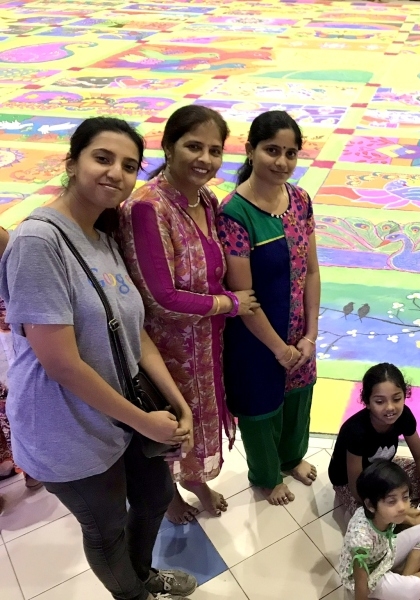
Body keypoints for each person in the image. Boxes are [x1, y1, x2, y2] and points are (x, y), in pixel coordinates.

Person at [0, 117, 197, 600]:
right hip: (65, 426)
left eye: (129, 166)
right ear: (72, 163)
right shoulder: (39, 242)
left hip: (118, 414)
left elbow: (134, 333)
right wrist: (144, 422)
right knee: (106, 528)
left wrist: (176, 401)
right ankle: (133, 594)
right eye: (103, 158)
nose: (116, 173)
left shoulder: (103, 237)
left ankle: (142, 575)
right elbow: (61, 364)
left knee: (154, 497)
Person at [118, 105, 260, 524]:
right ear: (168, 146)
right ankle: (168, 495)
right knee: (173, 424)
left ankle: (194, 481)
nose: (205, 159)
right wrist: (230, 304)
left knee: (199, 420)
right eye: (193, 146)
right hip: (165, 349)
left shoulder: (207, 200)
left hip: (206, 344)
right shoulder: (148, 208)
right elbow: (161, 297)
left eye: (215, 151)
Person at [217, 110, 320, 506]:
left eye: (290, 153)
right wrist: (279, 348)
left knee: (298, 398)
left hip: (299, 331)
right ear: (250, 150)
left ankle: (291, 457)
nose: (282, 162)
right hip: (257, 337)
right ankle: (266, 475)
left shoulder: (300, 200)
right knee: (261, 408)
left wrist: (310, 335)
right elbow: (243, 295)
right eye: (271, 150)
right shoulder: (235, 213)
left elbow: (312, 271)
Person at [329, 363, 420, 524]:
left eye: (396, 399)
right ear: (367, 402)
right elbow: (356, 488)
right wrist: (406, 516)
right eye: (379, 401)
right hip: (350, 484)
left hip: (382, 470)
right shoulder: (355, 431)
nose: (390, 408)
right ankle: (411, 505)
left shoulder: (404, 417)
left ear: (404, 395)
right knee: (370, 520)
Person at [339, 460, 420, 600]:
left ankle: (404, 582)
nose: (402, 507)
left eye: (405, 497)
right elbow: (360, 586)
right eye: (392, 501)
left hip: (383, 555)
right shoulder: (361, 540)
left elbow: (401, 514)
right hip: (370, 578)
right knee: (416, 588)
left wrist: (414, 519)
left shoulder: (380, 514)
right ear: (370, 504)